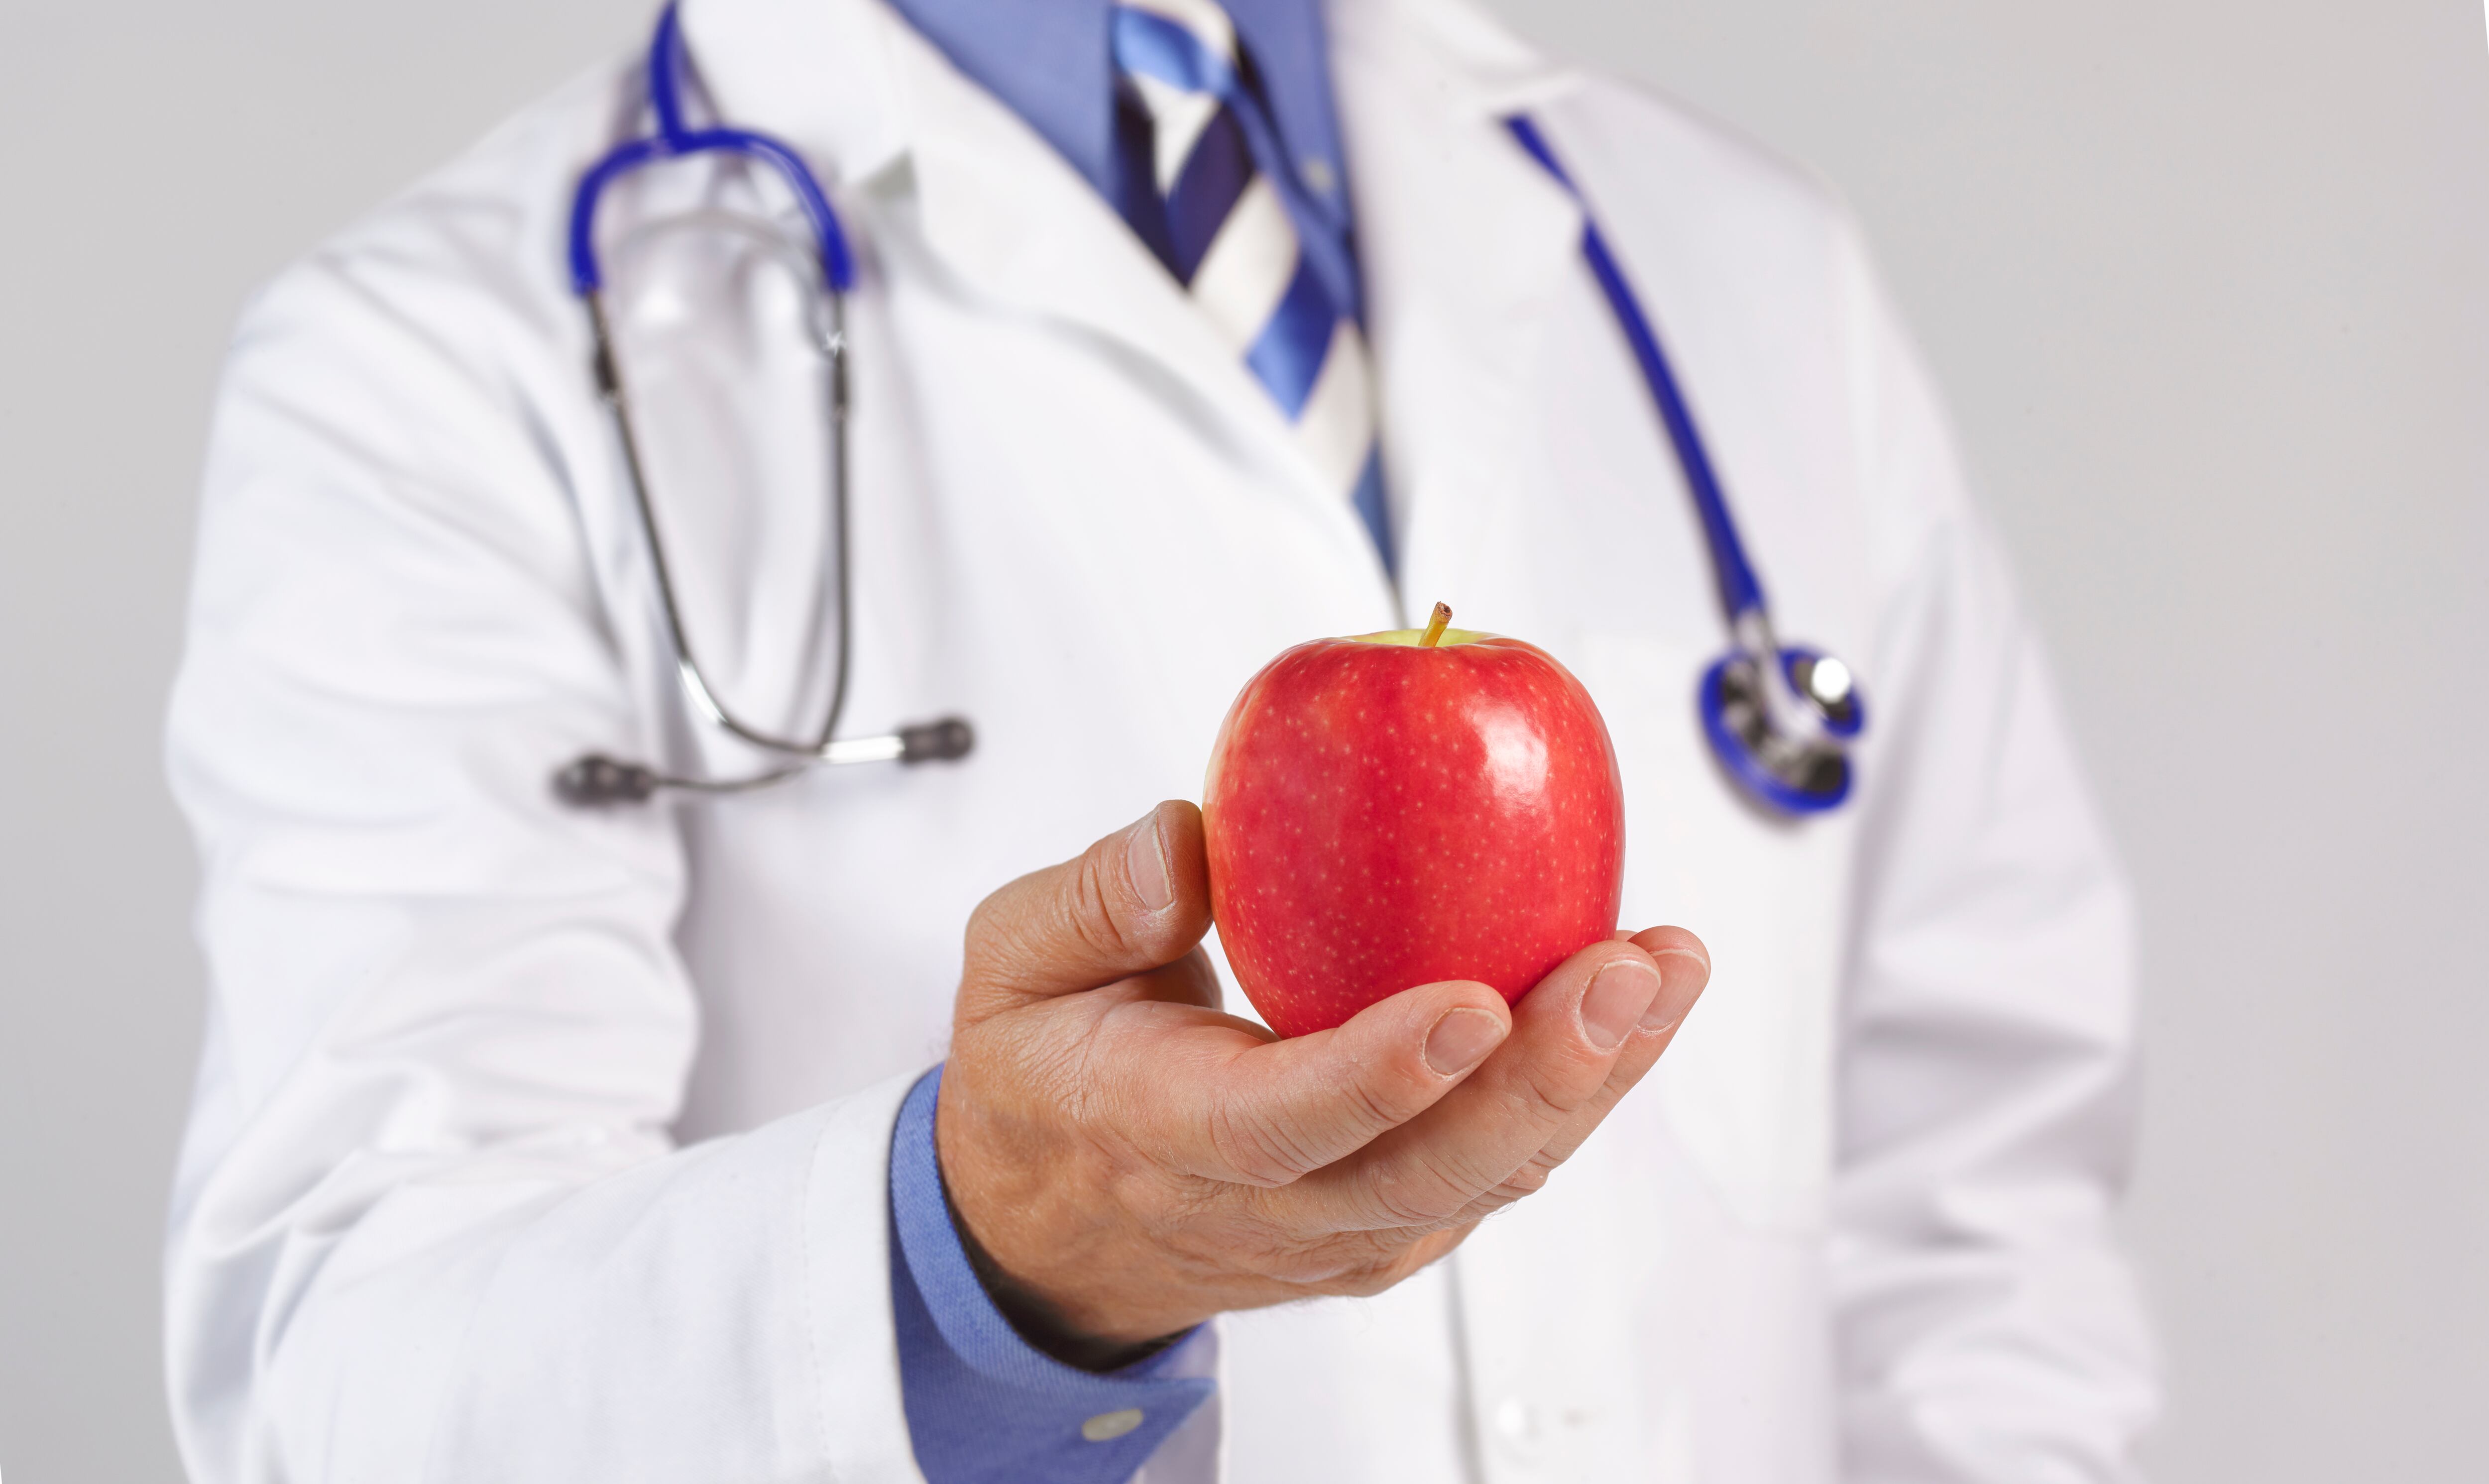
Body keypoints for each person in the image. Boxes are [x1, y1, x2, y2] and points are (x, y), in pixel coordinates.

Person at [161, 0, 2158, 1479]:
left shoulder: (1736, 262)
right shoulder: (442, 360)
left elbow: (1978, 1202)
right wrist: (983, 1255)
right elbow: (344, 1371)